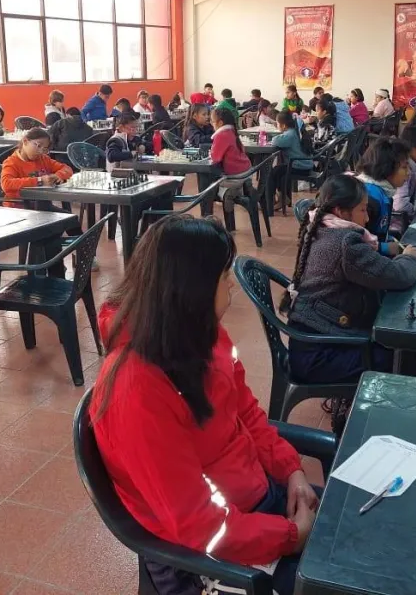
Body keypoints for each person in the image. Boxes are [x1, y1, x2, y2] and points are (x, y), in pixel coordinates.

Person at [90, 216, 320, 595]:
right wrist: (290, 536)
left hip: (256, 504)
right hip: (203, 556)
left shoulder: (204, 336)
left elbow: (245, 412)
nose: (230, 283)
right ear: (191, 290)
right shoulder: (137, 391)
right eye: (222, 275)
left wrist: (291, 469)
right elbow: (196, 525)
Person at [280, 174, 416, 385]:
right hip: (320, 357)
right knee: (404, 356)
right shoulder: (346, 243)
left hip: (310, 344)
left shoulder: (322, 228)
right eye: (362, 210)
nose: (366, 219)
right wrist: (409, 258)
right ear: (339, 211)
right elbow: (398, 276)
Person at [0, 127, 78, 276]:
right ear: (25, 142)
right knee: (51, 231)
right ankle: (50, 270)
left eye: (45, 148)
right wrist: (39, 181)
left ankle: (83, 255)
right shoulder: (12, 162)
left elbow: (67, 168)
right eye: (38, 145)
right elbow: (6, 184)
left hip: (41, 207)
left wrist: (57, 175)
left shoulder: (43, 159)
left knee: (71, 219)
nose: (41, 150)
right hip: (19, 209)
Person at [355, 137, 410, 254]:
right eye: (404, 167)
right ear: (387, 167)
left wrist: (391, 241)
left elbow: (380, 233)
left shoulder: (383, 191)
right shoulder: (368, 198)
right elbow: (356, 245)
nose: (408, 173)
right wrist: (387, 248)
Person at [269, 110, 313, 207]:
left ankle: (271, 201)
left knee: (273, 172)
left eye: (277, 123)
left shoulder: (290, 135)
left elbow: (275, 141)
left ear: (284, 125)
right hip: (304, 165)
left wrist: (274, 137)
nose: (277, 125)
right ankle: (283, 198)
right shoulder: (295, 131)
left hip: (299, 166)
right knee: (278, 171)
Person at [210, 107, 251, 175]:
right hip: (245, 169)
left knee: (212, 182)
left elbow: (215, 158)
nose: (211, 124)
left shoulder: (221, 135)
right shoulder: (231, 131)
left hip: (236, 174)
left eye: (213, 122)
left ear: (220, 123)